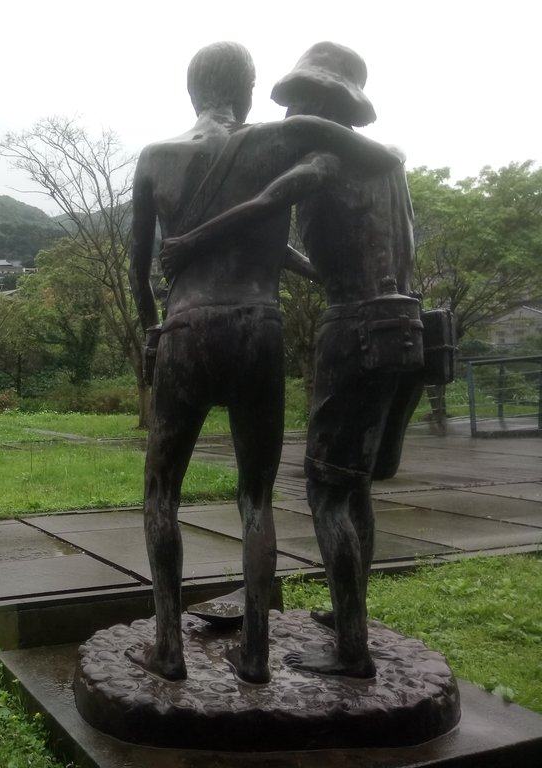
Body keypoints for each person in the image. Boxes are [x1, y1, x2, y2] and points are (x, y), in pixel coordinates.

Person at [128, 41, 402, 683]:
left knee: (161, 489)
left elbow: (141, 272)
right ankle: (255, 654)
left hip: (185, 327)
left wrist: (151, 332)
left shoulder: (154, 158)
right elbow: (383, 154)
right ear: (249, 92)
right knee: (256, 497)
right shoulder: (280, 142)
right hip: (258, 325)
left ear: (192, 91)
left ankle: (168, 645)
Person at [271, 41, 423, 678]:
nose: (291, 110)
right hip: (402, 326)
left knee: (326, 488)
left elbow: (262, 215)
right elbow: (392, 255)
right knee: (355, 481)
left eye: (302, 98)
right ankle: (349, 610)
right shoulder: (387, 169)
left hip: (352, 328)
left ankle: (351, 647)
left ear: (325, 102)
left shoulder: (324, 159)